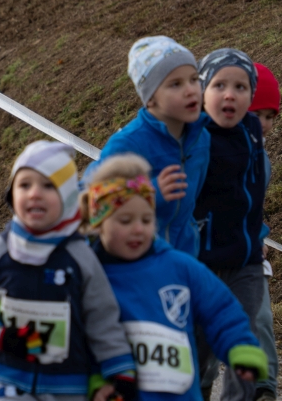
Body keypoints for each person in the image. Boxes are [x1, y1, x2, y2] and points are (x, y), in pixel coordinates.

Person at [0, 141, 137, 401]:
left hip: (67, 383)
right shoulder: (0, 249)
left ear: (67, 197)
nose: (34, 194)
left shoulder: (79, 256)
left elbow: (102, 317)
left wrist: (120, 371)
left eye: (48, 186)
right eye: (24, 185)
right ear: (12, 194)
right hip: (9, 378)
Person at [81, 153, 268, 401]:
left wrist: (240, 345)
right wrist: (93, 378)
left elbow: (220, 309)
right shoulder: (89, 275)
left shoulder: (180, 267)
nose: (138, 228)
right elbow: (77, 335)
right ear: (99, 223)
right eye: (125, 220)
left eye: (146, 219)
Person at [84, 36, 209, 256]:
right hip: (133, 264)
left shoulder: (202, 138)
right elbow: (92, 202)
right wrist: (149, 192)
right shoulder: (127, 145)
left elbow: (194, 204)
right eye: (176, 84)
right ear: (150, 98)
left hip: (184, 260)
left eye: (194, 79)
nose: (191, 90)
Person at [192, 49, 269, 400]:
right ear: (202, 91)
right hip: (201, 265)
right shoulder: (191, 137)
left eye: (240, 87)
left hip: (245, 264)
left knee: (246, 342)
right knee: (199, 350)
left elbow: (251, 193)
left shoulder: (253, 132)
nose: (229, 94)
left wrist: (259, 234)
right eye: (219, 85)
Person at [247, 63, 279, 401]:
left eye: (272, 116)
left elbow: (251, 207)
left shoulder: (263, 160)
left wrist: (258, 236)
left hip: (248, 254)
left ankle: (264, 389)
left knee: (261, 320)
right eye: (259, 114)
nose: (266, 124)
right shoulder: (205, 149)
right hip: (206, 254)